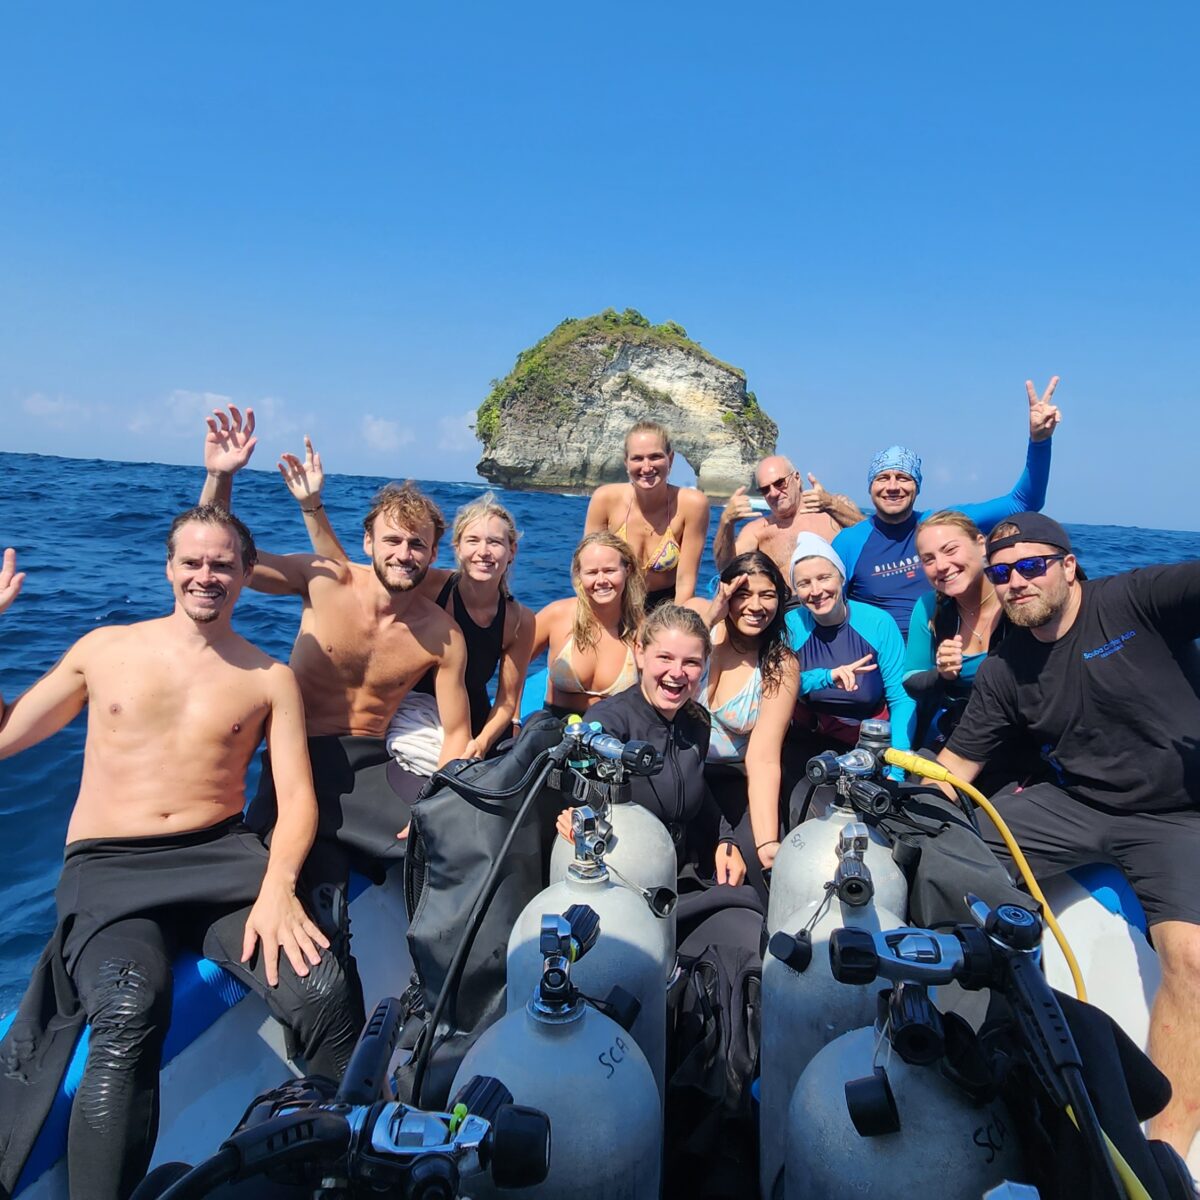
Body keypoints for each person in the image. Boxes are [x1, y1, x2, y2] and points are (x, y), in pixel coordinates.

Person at [0, 511, 358, 1200]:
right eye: (193, 563)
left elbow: (297, 800)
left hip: (221, 859)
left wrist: (279, 886)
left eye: (223, 565)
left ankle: (328, 1176)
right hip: (111, 867)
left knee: (323, 990)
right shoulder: (103, 649)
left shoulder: (267, 677)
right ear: (168, 568)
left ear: (246, 576)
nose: (206, 576)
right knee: (131, 1006)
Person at [932, 511, 1200, 1159]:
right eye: (1002, 572)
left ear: (1067, 565)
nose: (1018, 581)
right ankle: (965, 1027)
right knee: (946, 856)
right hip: (1075, 806)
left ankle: (1164, 1149)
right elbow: (953, 774)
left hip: (1174, 816)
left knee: (1191, 962)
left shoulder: (1135, 599)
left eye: (1031, 566)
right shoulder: (1003, 670)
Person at [198, 407, 469, 1012]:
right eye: (392, 540)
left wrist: (435, 805)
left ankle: (439, 1005)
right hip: (295, 757)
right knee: (301, 893)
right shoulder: (322, 578)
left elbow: (456, 733)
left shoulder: (441, 633)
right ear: (368, 541)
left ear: (432, 554)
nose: (404, 553)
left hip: (369, 765)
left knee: (450, 856)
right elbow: (226, 560)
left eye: (417, 544)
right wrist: (221, 477)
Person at [271, 436, 534, 763]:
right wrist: (312, 507)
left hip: (471, 722)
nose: (483, 551)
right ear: (456, 549)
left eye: (495, 542)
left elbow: (507, 701)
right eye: (473, 540)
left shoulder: (518, 619)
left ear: (512, 551)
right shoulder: (424, 583)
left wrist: (480, 742)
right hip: (410, 713)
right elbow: (350, 576)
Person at [832, 377, 1062, 639]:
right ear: (870, 487)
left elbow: (1024, 503)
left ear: (917, 487)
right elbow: (828, 606)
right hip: (879, 662)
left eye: (904, 478)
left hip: (951, 649)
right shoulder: (849, 543)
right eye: (883, 478)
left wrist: (1040, 441)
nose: (893, 486)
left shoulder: (943, 526)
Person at [555, 604, 748, 886]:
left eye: (691, 662)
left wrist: (725, 840)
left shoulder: (697, 722)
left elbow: (696, 784)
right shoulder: (609, 724)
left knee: (747, 918)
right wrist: (574, 817)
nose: (677, 672)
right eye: (665, 658)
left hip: (683, 873)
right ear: (640, 653)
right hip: (622, 880)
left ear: (706, 663)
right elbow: (579, 799)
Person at [687, 552, 800, 901]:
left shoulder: (779, 664)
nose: (755, 606)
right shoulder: (698, 628)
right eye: (743, 594)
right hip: (678, 773)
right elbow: (656, 668)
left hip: (734, 781)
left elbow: (764, 758)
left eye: (767, 595)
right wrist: (711, 616)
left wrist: (767, 841)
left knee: (753, 866)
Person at [786, 533, 916, 779]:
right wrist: (826, 677)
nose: (816, 591)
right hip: (810, 739)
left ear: (842, 577)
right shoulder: (790, 627)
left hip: (870, 743)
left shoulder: (878, 623)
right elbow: (775, 687)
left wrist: (898, 766)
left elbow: (901, 698)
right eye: (804, 583)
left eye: (824, 578)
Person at [904, 510, 1014, 760]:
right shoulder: (930, 607)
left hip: (1015, 737)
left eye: (950, 550)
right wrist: (942, 675)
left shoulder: (1013, 596)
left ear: (981, 545)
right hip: (957, 730)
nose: (941, 565)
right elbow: (911, 680)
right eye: (928, 559)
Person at [584, 420, 710, 608]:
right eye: (637, 458)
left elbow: (685, 581)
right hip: (615, 603)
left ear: (671, 459)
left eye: (655, 457)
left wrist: (672, 625)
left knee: (702, 607)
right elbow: (587, 569)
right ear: (626, 462)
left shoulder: (692, 504)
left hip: (665, 605)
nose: (647, 466)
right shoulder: (605, 499)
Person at [532, 531, 645, 717]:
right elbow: (514, 665)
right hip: (555, 726)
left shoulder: (643, 628)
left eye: (610, 571)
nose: (601, 581)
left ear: (628, 570)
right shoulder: (556, 615)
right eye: (592, 573)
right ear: (579, 575)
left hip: (614, 732)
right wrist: (513, 718)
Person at [712, 455, 863, 575]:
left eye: (779, 483)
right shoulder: (758, 530)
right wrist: (726, 522)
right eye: (765, 490)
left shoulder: (833, 510)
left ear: (797, 479)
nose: (773, 493)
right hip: (788, 608)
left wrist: (832, 505)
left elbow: (874, 539)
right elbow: (726, 570)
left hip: (836, 602)